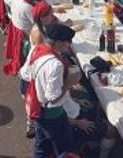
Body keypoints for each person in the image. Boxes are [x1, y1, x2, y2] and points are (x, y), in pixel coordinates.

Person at [27, 25, 95, 158]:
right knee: (65, 150)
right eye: (68, 41)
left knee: (42, 146)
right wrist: (69, 83)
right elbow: (52, 98)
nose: (70, 45)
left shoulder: (38, 50)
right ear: (58, 42)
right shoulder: (55, 65)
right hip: (52, 114)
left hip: (39, 110)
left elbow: (28, 75)